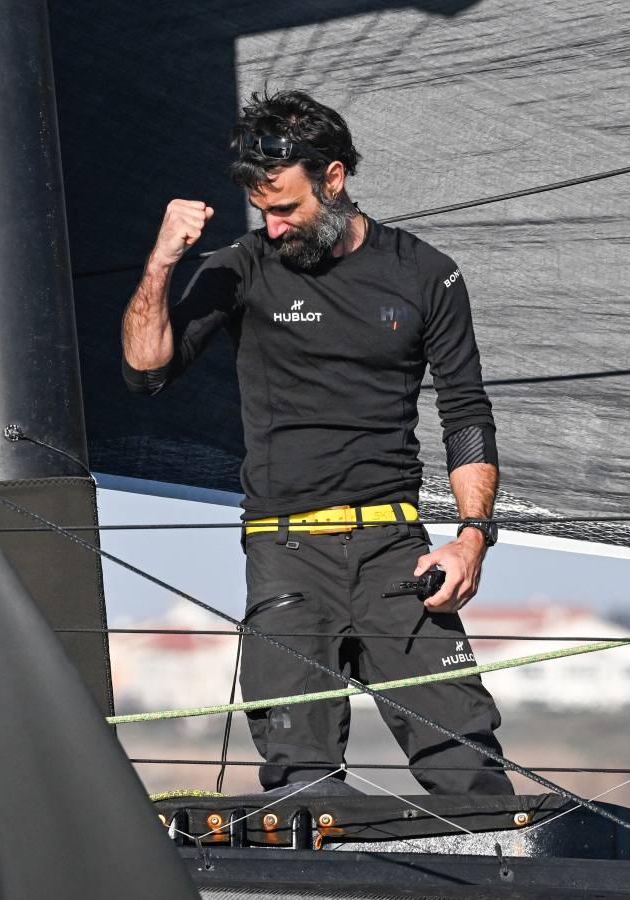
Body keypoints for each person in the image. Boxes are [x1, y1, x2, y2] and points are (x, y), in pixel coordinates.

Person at [122, 90, 512, 795]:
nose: (272, 227)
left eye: (286, 209)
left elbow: (465, 413)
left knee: (472, 771)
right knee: (303, 788)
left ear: (334, 179)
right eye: (262, 211)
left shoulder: (427, 274)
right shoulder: (242, 267)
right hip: (286, 555)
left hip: (397, 551)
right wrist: (161, 260)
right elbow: (145, 373)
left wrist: (472, 538)